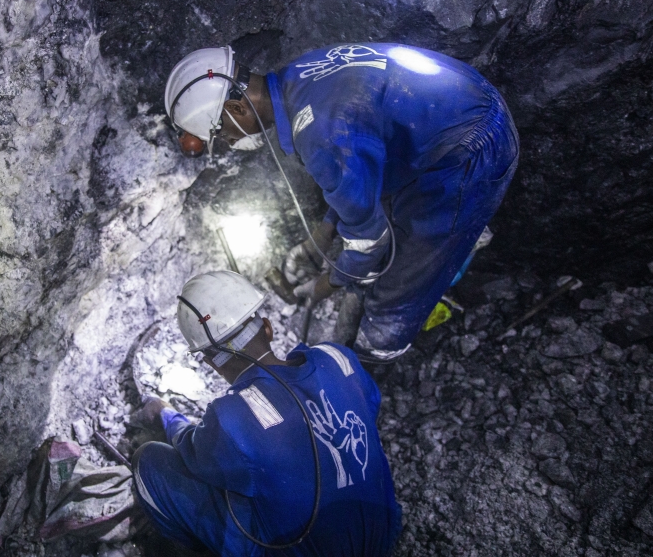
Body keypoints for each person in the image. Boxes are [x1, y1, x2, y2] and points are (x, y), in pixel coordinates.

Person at [164, 44, 519, 359]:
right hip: (459, 107)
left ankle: (377, 352)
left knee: (397, 287)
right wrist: (323, 232)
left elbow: (371, 239)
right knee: (389, 222)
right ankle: (461, 231)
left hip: (470, 149)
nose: (228, 142)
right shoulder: (300, 76)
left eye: (222, 135)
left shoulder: (318, 133)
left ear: (237, 107)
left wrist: (326, 285)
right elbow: (359, 164)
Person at [131, 270, 401, 556]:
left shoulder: (232, 418)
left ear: (212, 364)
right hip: (381, 536)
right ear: (269, 328)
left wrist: (166, 414)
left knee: (148, 463)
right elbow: (367, 408)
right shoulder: (337, 358)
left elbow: (193, 453)